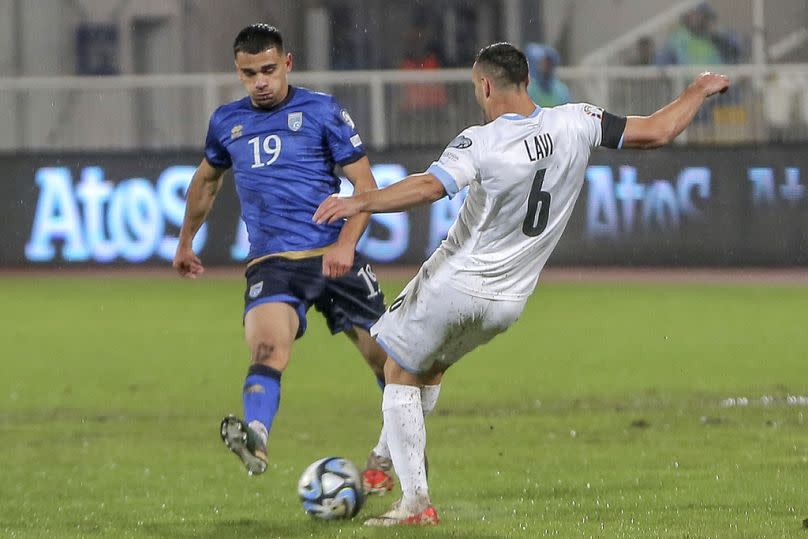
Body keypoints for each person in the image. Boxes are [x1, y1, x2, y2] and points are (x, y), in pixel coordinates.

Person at [314, 42, 730, 526]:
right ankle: (383, 464)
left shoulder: (481, 141)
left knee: (397, 372)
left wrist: (361, 202)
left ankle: (414, 502)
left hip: (458, 282)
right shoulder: (578, 120)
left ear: (485, 85)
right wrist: (698, 90)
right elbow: (657, 131)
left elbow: (431, 186)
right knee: (429, 370)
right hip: (508, 302)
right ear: (528, 81)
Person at [172, 23, 393, 479]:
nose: (260, 81)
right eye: (249, 73)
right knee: (268, 348)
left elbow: (365, 186)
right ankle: (255, 436)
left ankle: (392, 452)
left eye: (269, 69)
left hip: (334, 255)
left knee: (389, 363)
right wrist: (185, 240)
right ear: (238, 73)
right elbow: (206, 182)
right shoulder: (226, 122)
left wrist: (347, 245)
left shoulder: (323, 110)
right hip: (273, 264)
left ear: (287, 63)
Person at [524, 43, 570, 107]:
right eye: (543, 62)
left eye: (549, 63)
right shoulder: (528, 89)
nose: (546, 66)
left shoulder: (561, 90)